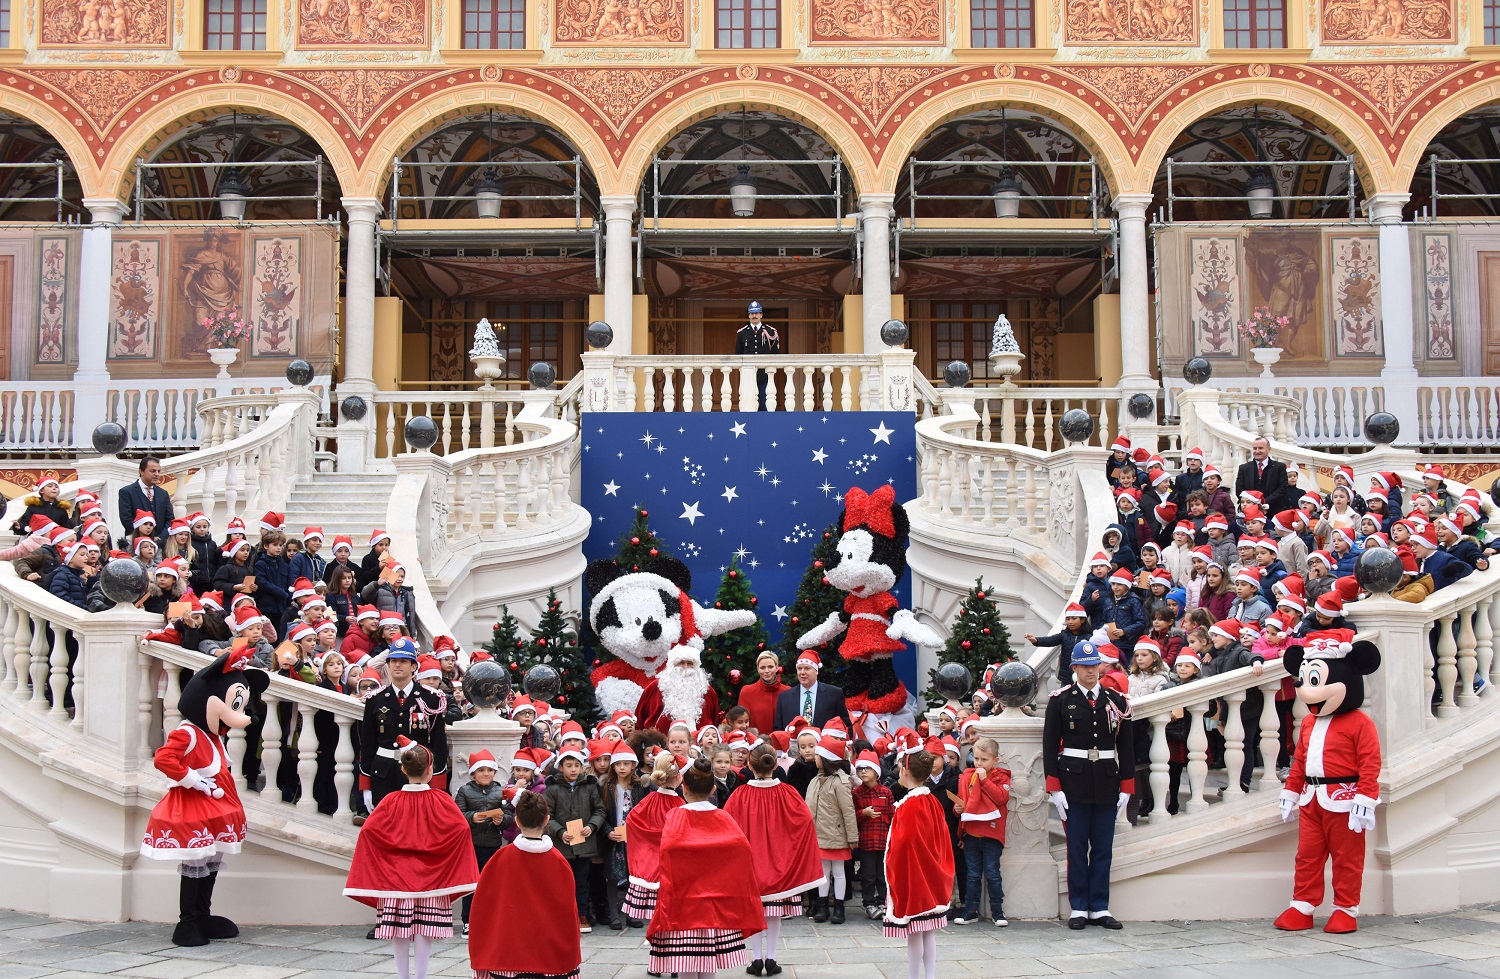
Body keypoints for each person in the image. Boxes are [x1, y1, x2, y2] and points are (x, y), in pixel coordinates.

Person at [343, 740, 479, 979]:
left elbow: (369, 832)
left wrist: (388, 857)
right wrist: (440, 857)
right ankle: (420, 977)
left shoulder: (390, 801)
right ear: (430, 769)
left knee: (399, 931)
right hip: (431, 880)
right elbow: (461, 829)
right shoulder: (442, 800)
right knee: (424, 931)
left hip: (396, 880)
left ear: (403, 770)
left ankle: (403, 977)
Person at [1044, 641, 1135, 930]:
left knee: (1103, 848)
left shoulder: (1116, 701)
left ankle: (1100, 907)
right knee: (1076, 847)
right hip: (1073, 782)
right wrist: (1054, 787)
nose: (1090, 671)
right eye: (1084, 666)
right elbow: (1049, 746)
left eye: (1094, 665)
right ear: (1074, 668)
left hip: (1107, 780)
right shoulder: (1060, 700)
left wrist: (1126, 786)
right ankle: (1079, 907)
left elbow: (1127, 747)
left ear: (1100, 666)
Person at [647, 757, 765, 978]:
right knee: (708, 965)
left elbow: (668, 851)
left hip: (683, 904)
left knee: (685, 965)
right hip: (714, 906)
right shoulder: (723, 817)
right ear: (713, 789)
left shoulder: (675, 816)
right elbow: (741, 849)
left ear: (684, 787)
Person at [724, 743, 823, 975]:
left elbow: (726, 827)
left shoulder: (740, 795)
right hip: (780, 865)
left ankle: (756, 959)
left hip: (749, 866)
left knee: (754, 910)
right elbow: (805, 821)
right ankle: (772, 957)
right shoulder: (788, 792)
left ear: (749, 765)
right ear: (775, 764)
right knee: (775, 911)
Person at [468, 792, 583, 979]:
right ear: (547, 820)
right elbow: (567, 914)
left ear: (517, 820)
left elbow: (483, 908)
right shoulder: (560, 862)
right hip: (549, 957)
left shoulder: (499, 859)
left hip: (505, 956)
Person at [883, 747, 954, 979]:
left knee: (914, 933)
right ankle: (929, 976)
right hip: (932, 873)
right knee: (928, 932)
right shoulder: (932, 800)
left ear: (904, 770)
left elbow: (904, 844)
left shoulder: (909, 806)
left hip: (916, 877)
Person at [359, 638, 449, 813]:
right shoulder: (375, 699)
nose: (397, 665)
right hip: (383, 774)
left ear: (414, 666)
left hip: (418, 774)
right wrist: (366, 785)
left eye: (403, 661)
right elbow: (368, 745)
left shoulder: (431, 698)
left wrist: (437, 784)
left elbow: (438, 745)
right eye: (393, 661)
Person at [544, 740, 607, 934]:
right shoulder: (553, 789)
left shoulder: (588, 787)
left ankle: (582, 914)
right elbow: (548, 816)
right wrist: (560, 832)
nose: (573, 770)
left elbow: (600, 810)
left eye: (577, 765)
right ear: (560, 767)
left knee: (582, 881)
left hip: (584, 844)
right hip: (562, 844)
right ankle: (562, 916)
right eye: (569, 766)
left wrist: (592, 826)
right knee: (561, 882)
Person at [622, 751, 686, 928]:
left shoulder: (649, 799)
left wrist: (644, 843)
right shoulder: (679, 805)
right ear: (677, 776)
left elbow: (632, 820)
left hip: (649, 864)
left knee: (654, 915)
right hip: (671, 867)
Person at [951, 737, 1011, 926]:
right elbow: (962, 800)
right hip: (972, 834)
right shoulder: (967, 775)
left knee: (993, 874)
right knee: (973, 874)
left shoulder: (1001, 776)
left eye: (984, 759)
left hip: (992, 834)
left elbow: (1001, 798)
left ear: (995, 760)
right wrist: (957, 809)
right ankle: (971, 910)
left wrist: (985, 780)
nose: (979, 763)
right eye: (976, 758)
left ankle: (997, 911)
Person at [453, 749, 512, 936]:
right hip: (471, 845)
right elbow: (456, 815)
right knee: (471, 885)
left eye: (489, 770)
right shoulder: (465, 791)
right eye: (481, 770)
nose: (486, 773)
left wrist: (501, 821)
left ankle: (491, 919)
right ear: (473, 773)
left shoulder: (500, 791)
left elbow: (510, 815)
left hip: (493, 845)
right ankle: (468, 921)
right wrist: (471, 817)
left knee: (491, 884)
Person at [805, 734, 858, 924]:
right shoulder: (815, 780)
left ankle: (839, 907)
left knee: (838, 871)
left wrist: (852, 837)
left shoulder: (840, 782)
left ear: (826, 759)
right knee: (822, 872)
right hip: (818, 834)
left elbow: (848, 810)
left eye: (818, 755)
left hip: (836, 834)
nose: (814, 757)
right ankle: (822, 907)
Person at [850, 749, 894, 920]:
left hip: (883, 841)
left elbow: (891, 816)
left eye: (867, 768)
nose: (863, 772)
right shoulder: (856, 793)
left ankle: (883, 901)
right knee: (867, 874)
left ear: (876, 771)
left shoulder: (886, 792)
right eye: (860, 769)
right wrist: (864, 813)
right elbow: (852, 816)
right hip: (867, 842)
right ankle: (869, 903)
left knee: (882, 874)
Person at [773, 650, 852, 732]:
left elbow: (846, 727)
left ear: (816, 671)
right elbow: (778, 730)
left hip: (824, 744)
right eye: (799, 668)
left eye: (807, 668)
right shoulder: (785, 697)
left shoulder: (834, 694)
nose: (802, 672)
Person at [735, 300, 780, 411]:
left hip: (764, 374)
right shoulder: (742, 333)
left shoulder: (770, 331)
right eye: (751, 313)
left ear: (761, 315)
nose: (754, 316)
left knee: (765, 402)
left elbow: (775, 354)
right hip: (747, 375)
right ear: (748, 315)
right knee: (748, 404)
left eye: (756, 313)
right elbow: (738, 354)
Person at [118, 457, 174, 545]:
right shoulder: (127, 492)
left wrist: (160, 538)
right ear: (141, 471)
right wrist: (141, 536)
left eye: (158, 471)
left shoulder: (163, 493)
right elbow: (126, 519)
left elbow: (170, 519)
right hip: (135, 544)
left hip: (160, 545)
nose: (157, 474)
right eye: (152, 471)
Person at [738, 651, 789, 735]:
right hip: (755, 744)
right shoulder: (747, 691)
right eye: (762, 667)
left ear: (776, 668)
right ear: (758, 669)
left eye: (770, 667)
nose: (766, 671)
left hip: (781, 745)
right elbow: (741, 722)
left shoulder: (787, 691)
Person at [1234, 437, 1289, 516]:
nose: (1257, 451)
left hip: (1273, 512)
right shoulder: (1244, 468)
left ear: (1269, 449)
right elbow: (1239, 489)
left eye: (1260, 448)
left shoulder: (1279, 467)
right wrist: (1252, 503)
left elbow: (1283, 488)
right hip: (1250, 513)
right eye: (1254, 448)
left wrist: (1264, 502)